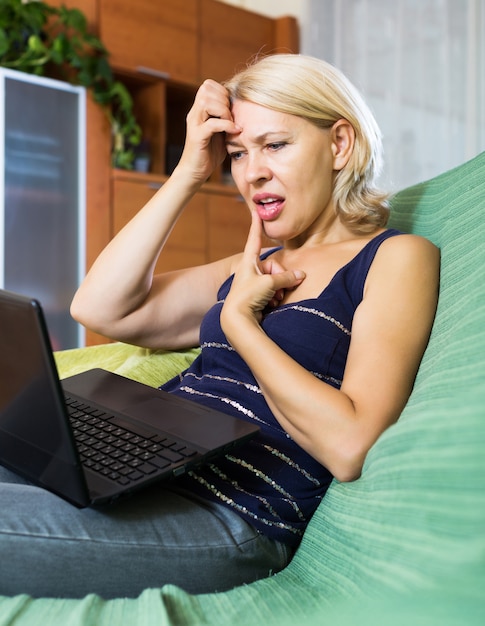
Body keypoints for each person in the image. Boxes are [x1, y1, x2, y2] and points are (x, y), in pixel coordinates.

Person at [0, 54, 439, 599]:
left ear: (340, 144)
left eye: (275, 145)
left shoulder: (394, 258)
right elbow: (100, 307)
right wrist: (189, 170)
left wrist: (241, 325)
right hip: (144, 470)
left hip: (232, 513)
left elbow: (350, 444)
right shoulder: (251, 264)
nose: (252, 172)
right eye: (237, 153)